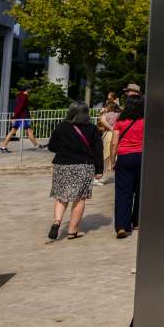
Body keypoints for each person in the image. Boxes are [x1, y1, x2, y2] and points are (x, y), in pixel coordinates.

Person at [46, 102, 103, 241]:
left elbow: (52, 146)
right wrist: (99, 169)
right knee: (80, 198)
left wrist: (65, 148)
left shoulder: (62, 126)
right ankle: (72, 231)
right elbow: (97, 150)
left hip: (62, 164)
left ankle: (57, 221)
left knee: (61, 196)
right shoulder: (92, 129)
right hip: (83, 165)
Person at [112, 95, 145, 238]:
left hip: (124, 157)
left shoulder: (120, 121)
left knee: (123, 193)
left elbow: (114, 143)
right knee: (140, 190)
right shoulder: (145, 121)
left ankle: (121, 226)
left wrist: (113, 161)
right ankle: (137, 221)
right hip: (142, 157)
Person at [0, 86, 40, 153]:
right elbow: (20, 107)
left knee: (13, 131)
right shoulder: (24, 96)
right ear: (27, 89)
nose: (30, 91)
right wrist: (14, 117)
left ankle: (3, 147)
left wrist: (15, 116)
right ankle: (36, 146)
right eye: (30, 90)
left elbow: (17, 107)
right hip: (24, 117)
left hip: (19, 116)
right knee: (29, 131)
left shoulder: (19, 96)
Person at [99, 100, 121, 177]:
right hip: (118, 135)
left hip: (108, 134)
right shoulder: (119, 114)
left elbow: (102, 121)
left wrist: (111, 129)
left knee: (105, 155)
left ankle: (102, 176)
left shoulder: (106, 114)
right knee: (115, 154)